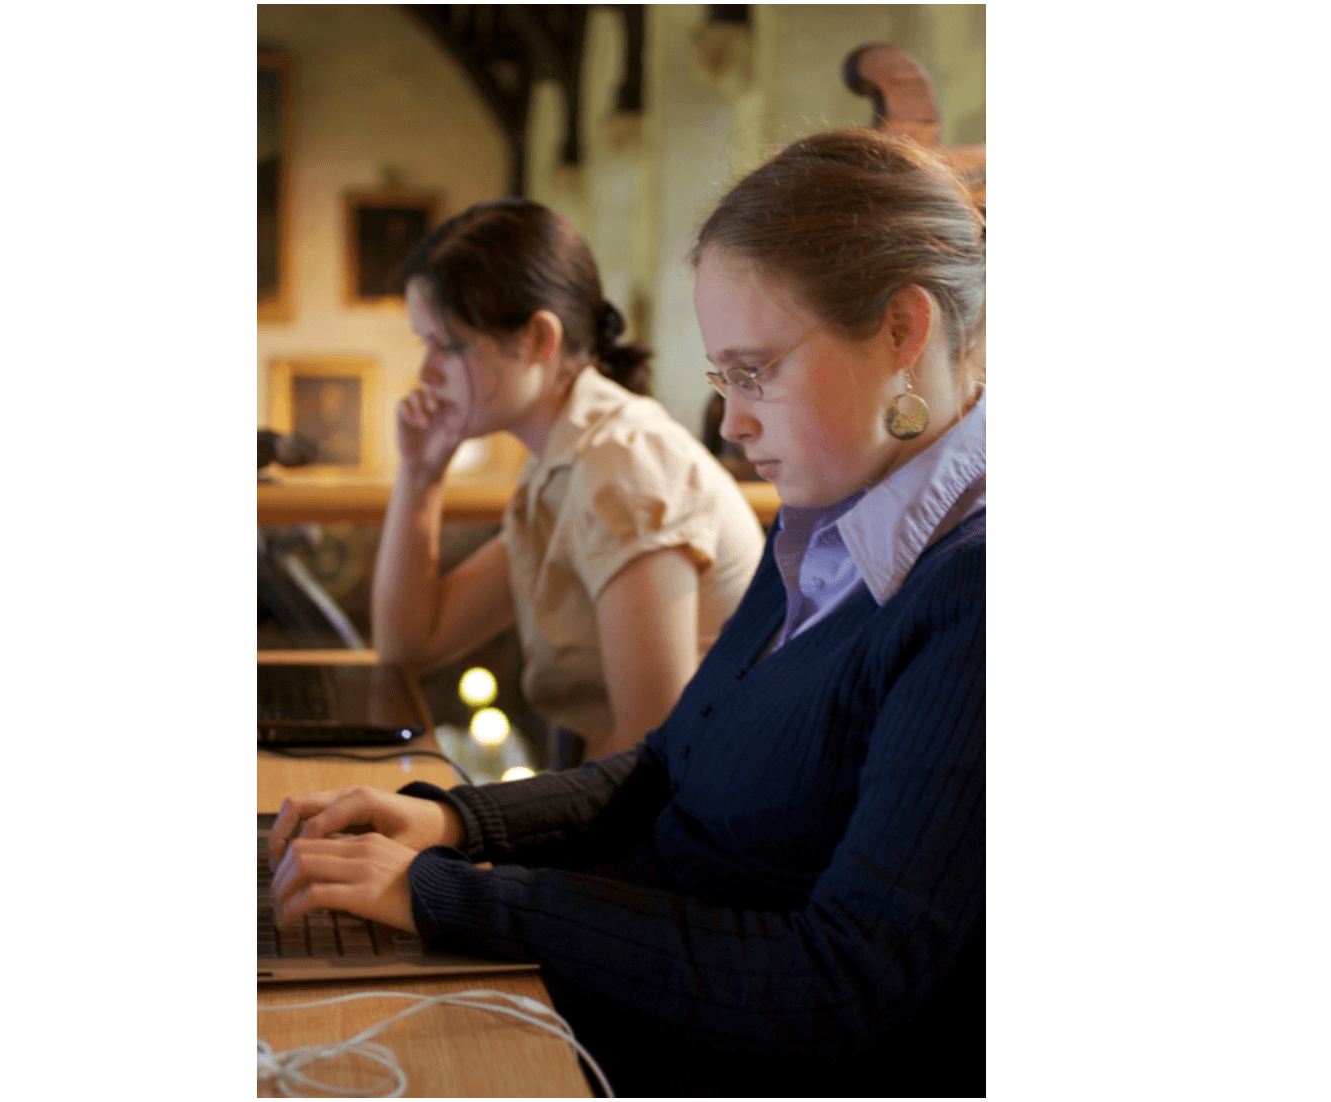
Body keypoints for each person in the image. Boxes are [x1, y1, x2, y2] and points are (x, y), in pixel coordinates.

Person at [270, 130, 986, 1097]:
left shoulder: (971, 591)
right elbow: (660, 768)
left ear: (903, 331)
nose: (731, 423)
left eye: (755, 370)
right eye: (722, 379)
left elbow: (837, 986)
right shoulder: (829, 514)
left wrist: (459, 900)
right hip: (633, 987)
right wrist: (448, 826)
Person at [374, 198, 764, 761]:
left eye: (448, 345)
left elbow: (649, 747)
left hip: (703, 823)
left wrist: (475, 827)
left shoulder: (622, 463)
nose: (426, 372)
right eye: (424, 343)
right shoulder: (561, 461)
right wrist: (419, 473)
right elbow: (410, 644)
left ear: (538, 339)